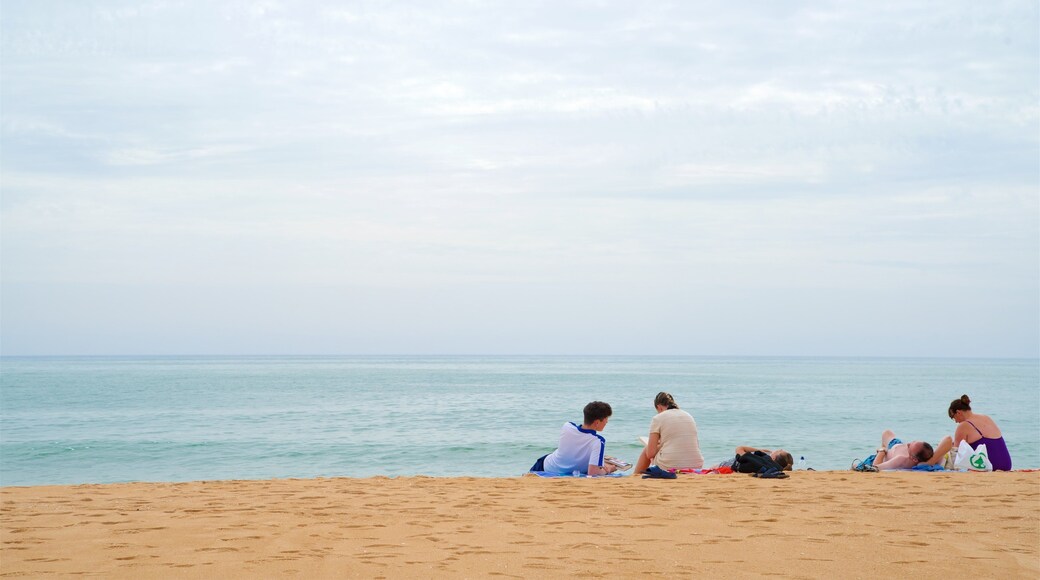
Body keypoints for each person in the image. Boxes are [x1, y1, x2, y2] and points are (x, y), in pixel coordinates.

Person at [530, 401, 618, 476]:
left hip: (545, 465)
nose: (607, 421)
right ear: (597, 422)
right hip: (555, 471)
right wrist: (609, 469)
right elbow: (593, 473)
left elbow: (574, 448)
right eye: (606, 419)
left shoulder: (567, 426)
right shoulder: (598, 441)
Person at [634, 392, 703, 474]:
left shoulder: (658, 418)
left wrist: (659, 445)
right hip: (696, 464)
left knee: (647, 450)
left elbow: (650, 454)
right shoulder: (688, 416)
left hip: (670, 466)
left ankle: (635, 476)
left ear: (659, 407)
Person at [949, 394, 1012, 471]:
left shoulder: (963, 426)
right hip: (1006, 464)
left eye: (953, 417)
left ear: (958, 412)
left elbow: (956, 454)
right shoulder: (986, 417)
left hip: (990, 465)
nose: (956, 421)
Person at [855, 429, 951, 471]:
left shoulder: (901, 459)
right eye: (912, 442)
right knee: (887, 432)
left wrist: (882, 451)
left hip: (891, 449)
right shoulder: (930, 456)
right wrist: (931, 461)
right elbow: (948, 439)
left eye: (909, 447)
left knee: (886, 433)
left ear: (914, 459)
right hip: (897, 445)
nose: (908, 444)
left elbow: (875, 467)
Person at [717, 446, 794, 471]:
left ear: (773, 458)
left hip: (728, 465)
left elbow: (739, 448)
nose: (779, 449)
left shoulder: (759, 458)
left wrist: (758, 450)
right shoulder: (771, 464)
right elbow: (767, 451)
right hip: (738, 463)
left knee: (714, 467)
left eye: (778, 451)